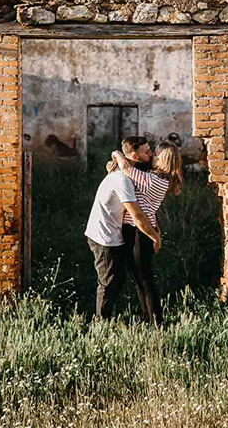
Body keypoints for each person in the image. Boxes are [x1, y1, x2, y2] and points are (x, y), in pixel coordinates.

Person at [83, 136, 161, 321]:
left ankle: (106, 320)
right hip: (104, 236)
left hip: (110, 233)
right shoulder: (122, 180)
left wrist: (117, 156)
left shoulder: (124, 173)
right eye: (147, 152)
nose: (151, 154)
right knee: (109, 282)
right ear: (134, 156)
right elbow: (138, 215)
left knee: (116, 279)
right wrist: (155, 237)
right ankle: (100, 324)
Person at [105, 140, 182, 326]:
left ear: (163, 159)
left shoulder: (154, 180)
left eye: (156, 154)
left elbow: (126, 168)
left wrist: (116, 154)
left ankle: (157, 322)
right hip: (139, 230)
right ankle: (148, 319)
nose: (152, 156)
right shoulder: (154, 176)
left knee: (145, 279)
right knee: (140, 278)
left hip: (140, 232)